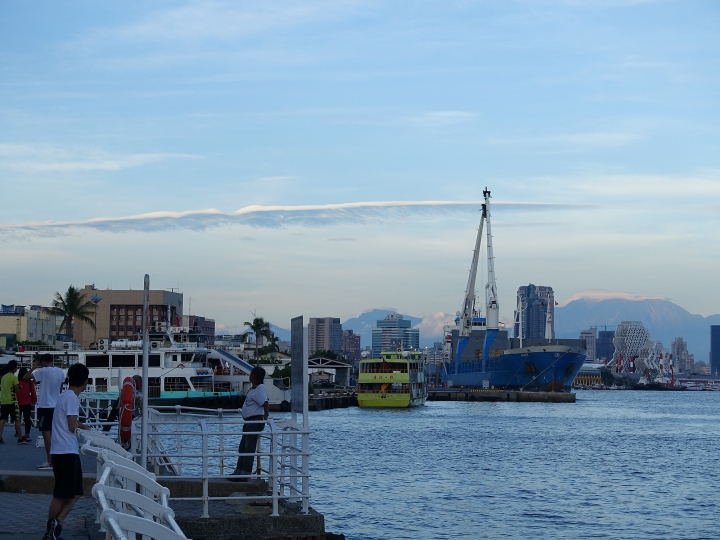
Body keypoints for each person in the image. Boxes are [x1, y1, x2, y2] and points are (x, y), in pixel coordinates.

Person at [43, 363, 90, 540]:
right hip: (65, 452)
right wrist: (78, 425)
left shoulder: (65, 396)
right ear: (85, 381)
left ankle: (57, 525)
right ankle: (50, 531)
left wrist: (83, 425)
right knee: (61, 494)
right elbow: (71, 425)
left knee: (76, 492)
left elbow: (71, 421)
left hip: (65, 451)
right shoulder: (71, 398)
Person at [23, 354, 66, 469]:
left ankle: (50, 461)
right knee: (54, 433)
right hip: (56, 405)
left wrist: (34, 367)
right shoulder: (60, 371)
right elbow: (60, 388)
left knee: (46, 433)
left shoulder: (43, 371)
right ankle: (56, 460)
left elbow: (25, 377)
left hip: (45, 406)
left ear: (42, 362)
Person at [230, 366, 269, 482]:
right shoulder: (254, 389)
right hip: (249, 421)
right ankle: (239, 471)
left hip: (254, 421)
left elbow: (265, 403)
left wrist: (265, 416)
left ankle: (245, 474)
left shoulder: (260, 388)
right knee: (243, 447)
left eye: (251, 374)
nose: (250, 375)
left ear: (255, 376)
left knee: (248, 448)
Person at [0, 360, 24, 444]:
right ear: (15, 368)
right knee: (17, 419)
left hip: (3, 401)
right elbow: (16, 390)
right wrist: (19, 388)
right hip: (12, 401)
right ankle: (20, 438)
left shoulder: (3, 377)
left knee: (2, 419)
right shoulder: (14, 378)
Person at [16, 367, 37, 443]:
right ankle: (27, 433)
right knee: (27, 418)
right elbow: (33, 392)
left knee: (17, 418)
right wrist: (34, 400)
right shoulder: (29, 382)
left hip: (18, 402)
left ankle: (17, 432)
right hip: (27, 402)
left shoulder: (17, 381)